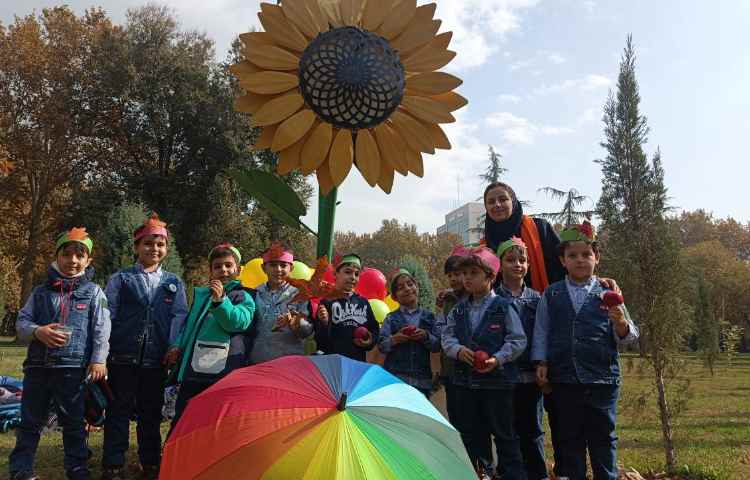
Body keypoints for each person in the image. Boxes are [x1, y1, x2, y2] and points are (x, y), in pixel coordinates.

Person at [532, 222, 639, 480]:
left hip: (602, 380)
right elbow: (542, 329)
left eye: (586, 255)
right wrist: (541, 362)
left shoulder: (609, 292)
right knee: (570, 440)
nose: (580, 260)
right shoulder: (552, 294)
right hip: (565, 380)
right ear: (562, 260)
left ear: (597, 258)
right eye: (572, 256)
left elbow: (629, 337)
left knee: (604, 437)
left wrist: (620, 322)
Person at [9, 228, 110, 480]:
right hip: (37, 368)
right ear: (57, 257)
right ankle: (21, 469)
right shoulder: (40, 292)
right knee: (30, 420)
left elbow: (101, 328)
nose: (73, 261)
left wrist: (98, 359)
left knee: (74, 421)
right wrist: (37, 331)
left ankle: (77, 467)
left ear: (88, 261)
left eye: (80, 255)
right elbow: (22, 323)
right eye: (67, 254)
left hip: (72, 369)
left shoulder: (94, 293)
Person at [102, 214, 188, 480]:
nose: (154, 249)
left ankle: (151, 463)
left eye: (160, 244)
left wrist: (174, 345)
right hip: (122, 357)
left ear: (167, 249)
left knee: (151, 413)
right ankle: (113, 465)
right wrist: (102, 350)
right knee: (118, 411)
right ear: (137, 247)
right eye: (148, 243)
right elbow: (108, 314)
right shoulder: (121, 279)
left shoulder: (173, 283)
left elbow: (180, 315)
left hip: (156, 359)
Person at [442, 247, 528, 480]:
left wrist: (498, 358)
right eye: (464, 273)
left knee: (504, 434)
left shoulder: (503, 306)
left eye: (473, 273)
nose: (466, 278)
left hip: (498, 385)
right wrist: (458, 350)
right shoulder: (458, 309)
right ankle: (481, 473)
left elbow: (518, 339)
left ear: (490, 277)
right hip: (466, 385)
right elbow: (446, 337)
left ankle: (513, 474)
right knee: (472, 434)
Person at [167, 243, 255, 430]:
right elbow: (189, 326)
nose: (223, 270)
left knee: (215, 421)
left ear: (238, 270)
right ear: (210, 271)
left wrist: (222, 301)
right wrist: (177, 346)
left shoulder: (243, 296)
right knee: (185, 416)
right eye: (217, 266)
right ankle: (176, 455)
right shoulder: (203, 296)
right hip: (194, 370)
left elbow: (238, 322)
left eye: (228, 265)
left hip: (222, 371)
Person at [495, 237, 547, 480]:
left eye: (522, 260)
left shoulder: (537, 299)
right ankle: (511, 474)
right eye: (511, 260)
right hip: (503, 377)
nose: (517, 264)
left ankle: (538, 473)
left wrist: (541, 363)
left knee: (533, 429)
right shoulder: (493, 300)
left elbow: (543, 334)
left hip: (530, 376)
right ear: (499, 264)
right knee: (507, 430)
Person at [482, 182, 565, 292]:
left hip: (545, 303)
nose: (497, 204)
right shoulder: (485, 244)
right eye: (491, 202)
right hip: (500, 307)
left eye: (503, 199)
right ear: (486, 207)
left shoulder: (540, 228)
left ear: (513, 201)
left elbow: (565, 266)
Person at [246, 243, 312, 365]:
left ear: (291, 268)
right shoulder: (254, 294)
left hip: (290, 363)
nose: (278, 269)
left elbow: (307, 332)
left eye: (283, 265)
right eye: (273, 265)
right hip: (258, 361)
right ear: (263, 268)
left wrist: (295, 322)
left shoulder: (300, 294)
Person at [377, 268, 440, 397]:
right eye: (400, 288)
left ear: (417, 287)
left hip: (422, 381)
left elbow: (437, 345)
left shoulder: (430, 317)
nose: (407, 289)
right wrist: (395, 339)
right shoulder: (391, 318)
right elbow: (381, 345)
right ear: (394, 297)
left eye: (410, 284)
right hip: (395, 380)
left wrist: (425, 336)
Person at [315, 254, 379, 361]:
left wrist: (369, 341)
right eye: (348, 272)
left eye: (357, 274)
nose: (353, 277)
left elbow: (374, 329)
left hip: (356, 363)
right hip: (333, 362)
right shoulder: (326, 302)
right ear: (335, 274)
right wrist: (324, 323)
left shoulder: (363, 303)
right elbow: (320, 342)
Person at [435, 247, 468, 423]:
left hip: (469, 367)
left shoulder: (473, 298)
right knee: (454, 415)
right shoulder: (447, 300)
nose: (454, 279)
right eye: (450, 275)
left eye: (458, 274)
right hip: (449, 368)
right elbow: (442, 327)